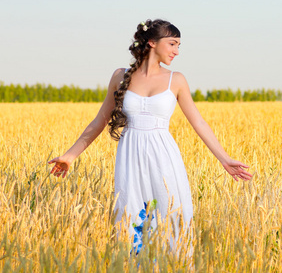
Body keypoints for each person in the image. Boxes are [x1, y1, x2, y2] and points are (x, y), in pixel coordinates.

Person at [48, 19, 253, 257]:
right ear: (152, 42)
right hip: (130, 156)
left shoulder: (176, 80)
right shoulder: (119, 76)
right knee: (131, 216)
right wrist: (70, 156)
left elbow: (198, 122)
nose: (177, 51)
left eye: (178, 45)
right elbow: (99, 121)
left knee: (169, 213)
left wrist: (225, 160)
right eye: (173, 44)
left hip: (163, 156)